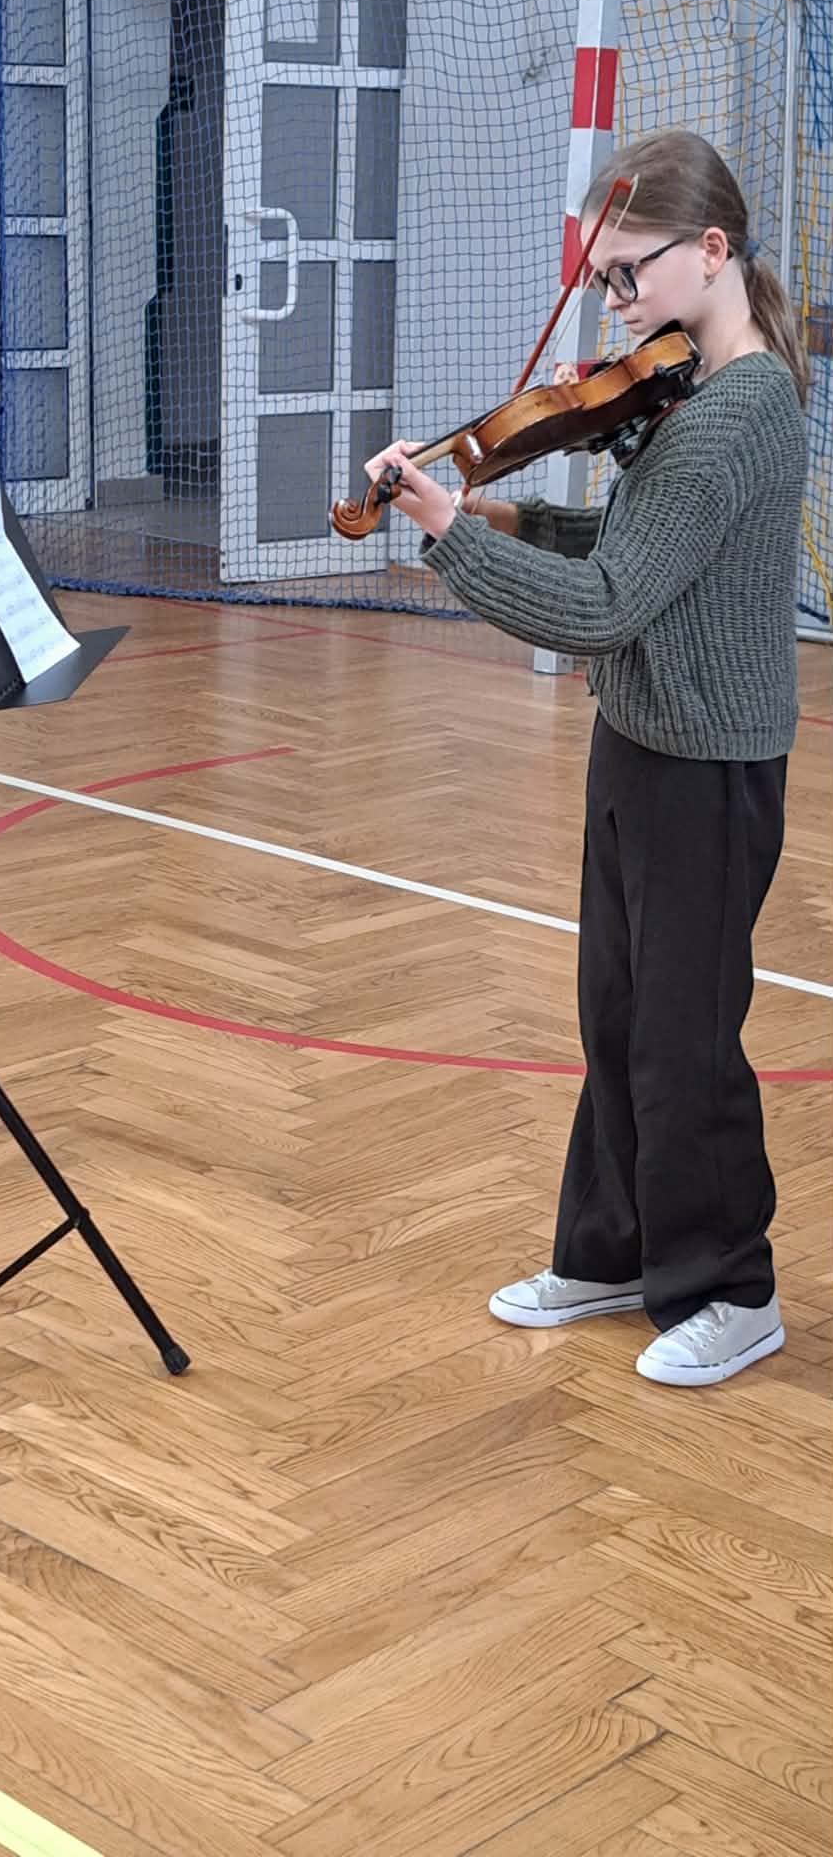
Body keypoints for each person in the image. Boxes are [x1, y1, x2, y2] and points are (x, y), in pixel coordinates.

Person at [364, 128, 809, 1388]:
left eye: (626, 271)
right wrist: (502, 511)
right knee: (614, 1018)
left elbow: (606, 605)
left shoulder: (739, 409)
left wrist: (451, 537)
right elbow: (628, 544)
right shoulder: (685, 393)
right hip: (640, 741)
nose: (610, 301)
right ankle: (613, 1250)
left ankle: (729, 1287)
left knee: (683, 1039)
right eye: (601, 275)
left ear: (710, 251)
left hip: (707, 766)